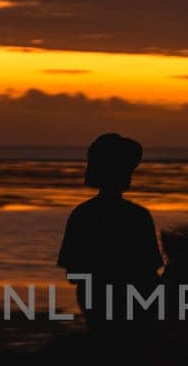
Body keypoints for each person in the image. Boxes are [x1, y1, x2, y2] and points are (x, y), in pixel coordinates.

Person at [57, 133, 163, 331]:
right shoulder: (138, 216)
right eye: (127, 170)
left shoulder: (82, 214)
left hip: (94, 306)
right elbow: (151, 273)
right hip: (131, 308)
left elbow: (73, 274)